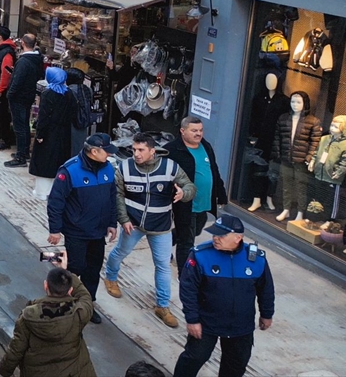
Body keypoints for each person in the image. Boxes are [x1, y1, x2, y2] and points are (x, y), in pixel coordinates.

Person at [104, 133, 196, 328]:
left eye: (141, 150)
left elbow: (189, 186)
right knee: (121, 251)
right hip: (134, 223)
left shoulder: (170, 167)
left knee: (162, 265)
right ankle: (110, 277)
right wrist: (124, 219)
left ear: (152, 151)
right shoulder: (125, 167)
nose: (136, 154)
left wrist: (184, 193)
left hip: (161, 226)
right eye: (134, 150)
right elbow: (117, 194)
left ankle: (162, 305)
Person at [174, 215, 274, 377]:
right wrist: (192, 319)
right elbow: (188, 289)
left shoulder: (256, 259)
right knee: (193, 359)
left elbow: (266, 289)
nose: (215, 238)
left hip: (241, 326)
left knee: (235, 365)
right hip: (207, 322)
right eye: (214, 234)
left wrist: (267, 314)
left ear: (238, 238)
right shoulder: (201, 255)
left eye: (221, 235)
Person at [46, 133, 119, 325]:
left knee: (92, 270)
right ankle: (62, 299)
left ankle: (88, 304)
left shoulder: (109, 169)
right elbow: (55, 201)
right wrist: (55, 229)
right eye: (106, 151)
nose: (110, 155)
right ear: (94, 151)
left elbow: (113, 198)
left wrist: (112, 223)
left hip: (98, 231)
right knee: (75, 267)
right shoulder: (69, 171)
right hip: (76, 231)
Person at [0, 251, 96, 377]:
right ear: (70, 289)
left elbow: (16, 350)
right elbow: (85, 296)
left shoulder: (29, 316)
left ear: (45, 286)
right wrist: (66, 272)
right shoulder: (79, 313)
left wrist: (5, 371)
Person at [165, 116, 228, 265]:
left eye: (200, 130)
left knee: (196, 230)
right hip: (185, 204)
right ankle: (184, 273)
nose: (198, 134)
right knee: (186, 242)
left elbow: (214, 170)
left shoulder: (206, 146)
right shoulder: (172, 150)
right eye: (194, 130)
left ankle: (164, 244)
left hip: (203, 202)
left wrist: (221, 193)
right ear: (182, 131)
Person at [29, 67, 76, 198]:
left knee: (44, 164)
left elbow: (43, 117)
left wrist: (40, 134)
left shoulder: (48, 94)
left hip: (49, 134)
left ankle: (42, 192)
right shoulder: (69, 94)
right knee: (59, 163)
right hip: (64, 134)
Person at [6, 34, 44, 167]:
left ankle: (20, 156)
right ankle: (24, 152)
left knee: (20, 127)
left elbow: (17, 81)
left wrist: (10, 94)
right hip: (28, 96)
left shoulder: (23, 61)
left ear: (22, 43)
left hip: (19, 97)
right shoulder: (37, 59)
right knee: (24, 125)